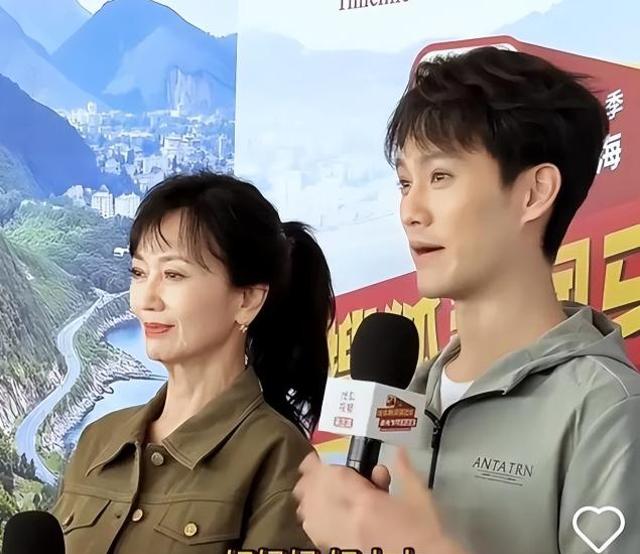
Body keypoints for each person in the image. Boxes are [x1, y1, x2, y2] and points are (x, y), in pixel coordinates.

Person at [294, 46, 640, 554]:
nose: (411, 211)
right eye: (405, 182)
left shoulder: (606, 409)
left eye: (440, 177)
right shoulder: (407, 396)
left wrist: (417, 545)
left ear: (534, 193)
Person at [51, 172, 335, 554]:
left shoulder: (282, 462)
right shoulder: (97, 441)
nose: (145, 299)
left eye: (173, 274)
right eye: (139, 273)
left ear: (247, 299)